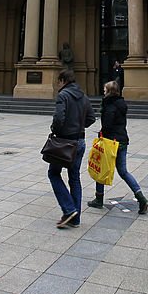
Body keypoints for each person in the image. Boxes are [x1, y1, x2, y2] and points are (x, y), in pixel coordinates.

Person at [88, 80, 148, 214]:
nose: (103, 92)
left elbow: (108, 124)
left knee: (101, 168)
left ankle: (99, 199)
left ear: (109, 91)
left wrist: (102, 133)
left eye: (105, 90)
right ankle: (140, 197)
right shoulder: (121, 103)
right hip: (122, 140)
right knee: (123, 171)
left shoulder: (110, 105)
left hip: (111, 141)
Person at [49, 69, 95, 228]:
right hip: (79, 141)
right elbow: (91, 118)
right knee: (74, 177)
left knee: (53, 173)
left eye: (58, 81)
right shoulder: (83, 96)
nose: (57, 85)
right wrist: (79, 127)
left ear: (63, 80)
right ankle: (75, 218)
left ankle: (69, 210)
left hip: (65, 142)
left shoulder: (63, 95)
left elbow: (59, 118)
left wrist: (56, 130)